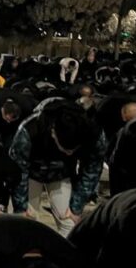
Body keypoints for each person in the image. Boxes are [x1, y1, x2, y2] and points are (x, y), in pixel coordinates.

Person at [9, 100, 106, 235]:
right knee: (22, 222)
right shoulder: (29, 130)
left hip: (62, 174)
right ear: (53, 132)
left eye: (73, 150)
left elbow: (92, 170)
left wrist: (76, 207)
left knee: (69, 222)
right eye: (66, 149)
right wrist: (20, 207)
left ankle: (66, 248)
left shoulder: (93, 132)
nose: (69, 153)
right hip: (30, 174)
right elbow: (18, 170)